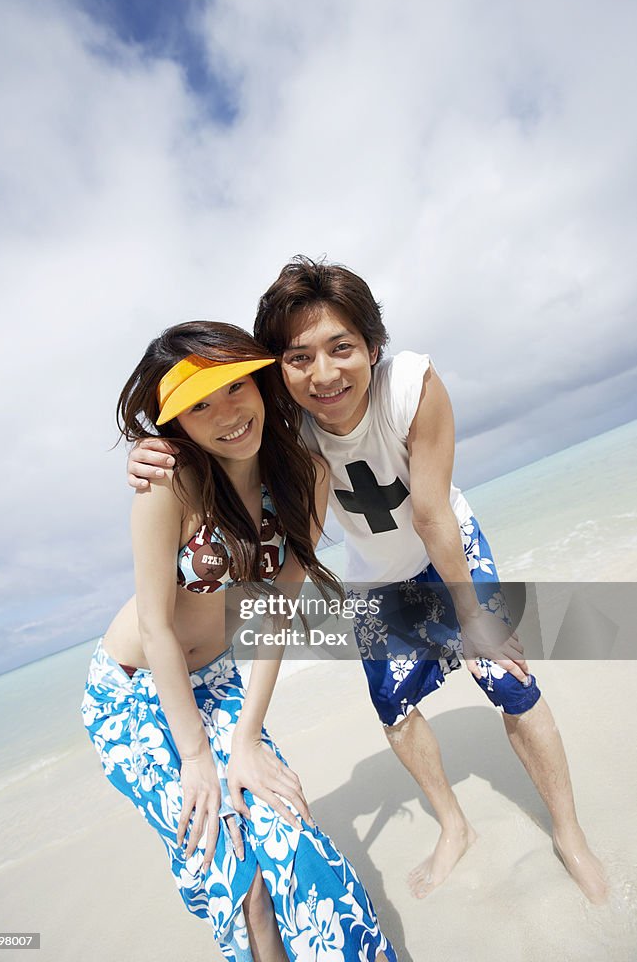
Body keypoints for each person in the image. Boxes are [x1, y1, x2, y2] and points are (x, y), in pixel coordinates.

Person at [128, 260, 608, 907]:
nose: (323, 374)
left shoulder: (410, 386)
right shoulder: (281, 426)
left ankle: (569, 834)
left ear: (371, 347)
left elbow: (432, 514)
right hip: (375, 579)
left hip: (448, 551)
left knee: (509, 678)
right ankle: (452, 824)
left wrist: (472, 619)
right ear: (278, 368)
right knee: (396, 712)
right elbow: (209, 434)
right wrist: (148, 447)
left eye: (341, 348)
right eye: (298, 357)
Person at [82, 321, 397, 962]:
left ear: (257, 380)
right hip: (134, 692)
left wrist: (247, 738)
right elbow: (155, 626)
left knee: (293, 839)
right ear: (175, 425)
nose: (225, 415)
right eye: (198, 406)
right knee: (239, 878)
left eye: (231, 389)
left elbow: (276, 609)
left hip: (220, 680)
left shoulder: (302, 474)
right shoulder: (170, 484)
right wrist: (199, 756)